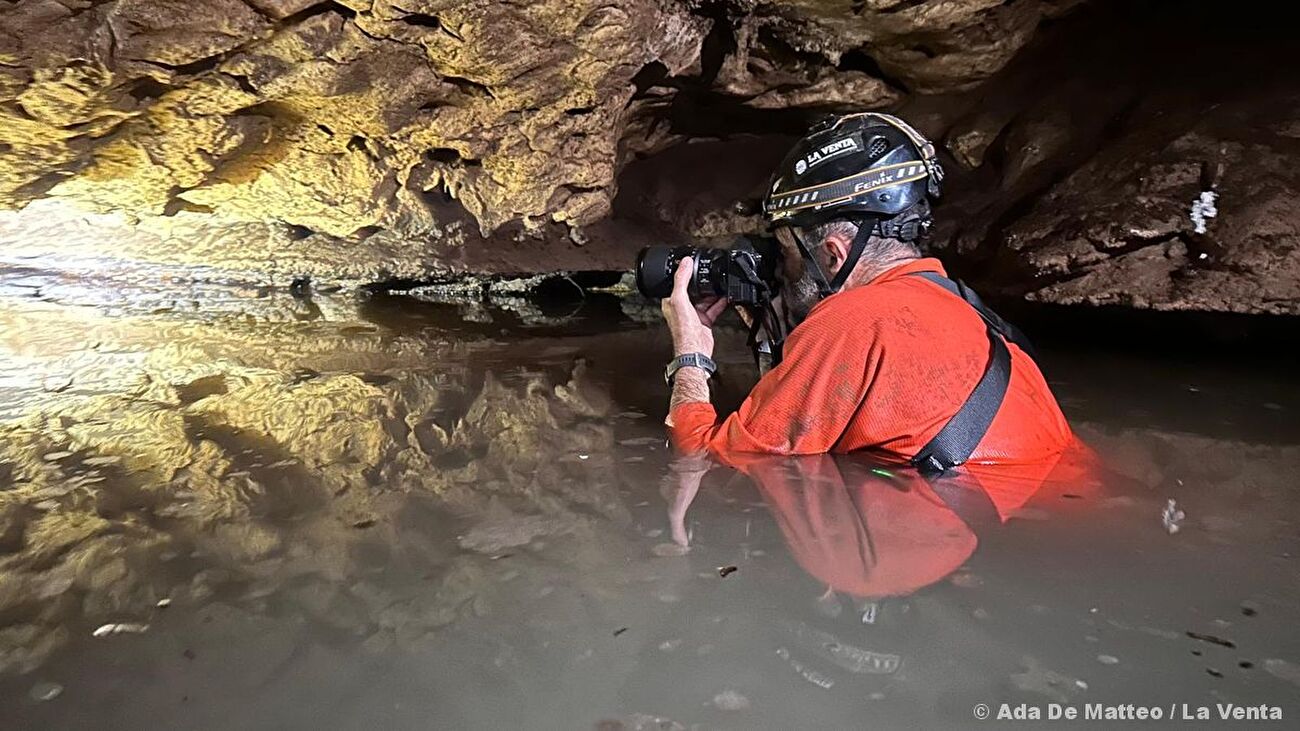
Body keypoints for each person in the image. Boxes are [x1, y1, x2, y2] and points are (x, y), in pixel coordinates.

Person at [661, 112, 1072, 469]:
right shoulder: (969, 308)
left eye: (789, 251)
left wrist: (690, 354)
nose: (784, 270)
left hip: (974, 511)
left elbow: (704, 458)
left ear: (834, 254)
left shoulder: (852, 322)